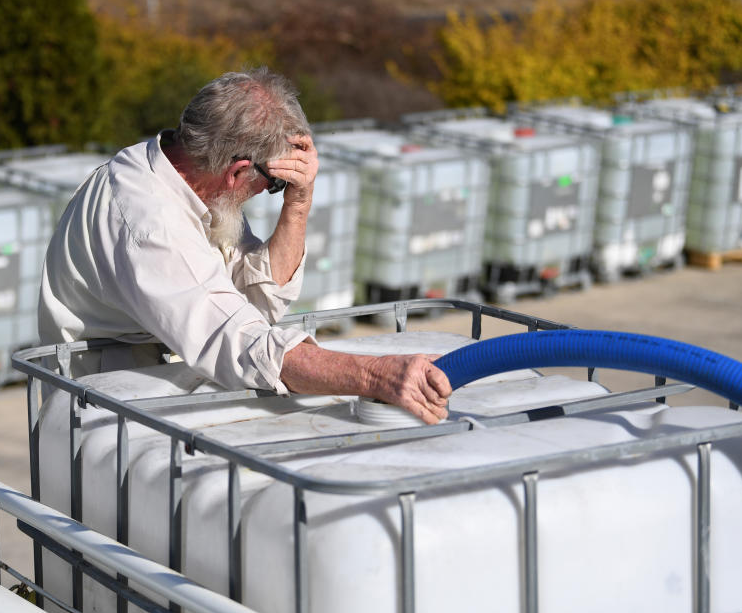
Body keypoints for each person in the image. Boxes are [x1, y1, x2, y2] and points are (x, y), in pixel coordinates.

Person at [38, 68, 451, 424]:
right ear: (238, 172)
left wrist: (298, 202)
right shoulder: (149, 224)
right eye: (274, 184)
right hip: (102, 411)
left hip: (154, 384)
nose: (270, 192)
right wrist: (374, 376)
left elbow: (254, 300)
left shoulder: (195, 179)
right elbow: (238, 342)